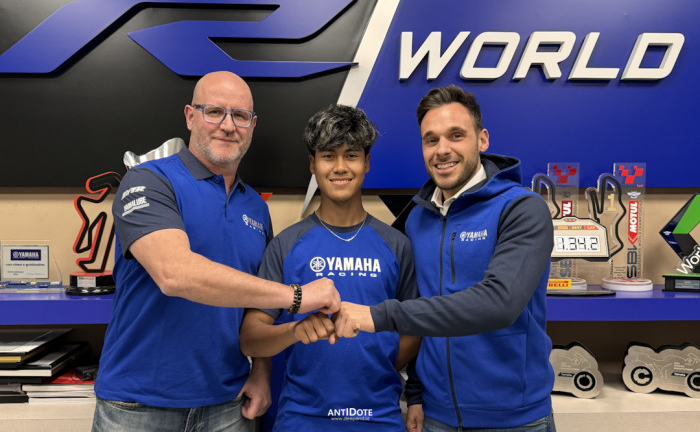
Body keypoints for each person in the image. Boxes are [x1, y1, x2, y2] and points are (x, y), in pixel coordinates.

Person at [92, 71, 340, 432]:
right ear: (190, 116)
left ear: (252, 126)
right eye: (214, 112)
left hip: (227, 405)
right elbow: (174, 273)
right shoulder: (150, 181)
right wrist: (296, 296)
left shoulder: (256, 208)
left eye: (239, 116)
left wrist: (261, 370)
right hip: (138, 405)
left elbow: (257, 307)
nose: (228, 126)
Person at [333, 85, 556, 432]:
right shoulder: (418, 219)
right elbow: (421, 308)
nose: (442, 150)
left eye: (456, 135)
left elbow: (499, 303)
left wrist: (378, 316)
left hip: (514, 419)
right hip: (437, 417)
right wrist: (416, 392)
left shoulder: (522, 209)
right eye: (431, 140)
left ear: (482, 139)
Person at [239, 104, 421, 431]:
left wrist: (375, 364)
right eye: (328, 156)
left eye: (351, 155)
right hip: (302, 420)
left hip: (379, 418)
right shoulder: (285, 245)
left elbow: (414, 328)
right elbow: (251, 337)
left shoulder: (397, 245)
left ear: (367, 162)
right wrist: (294, 331)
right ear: (312, 164)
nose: (340, 167)